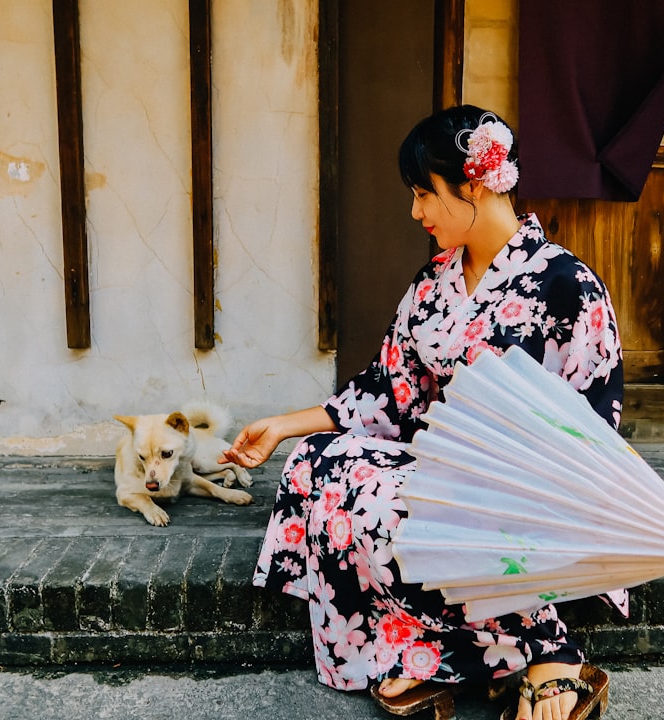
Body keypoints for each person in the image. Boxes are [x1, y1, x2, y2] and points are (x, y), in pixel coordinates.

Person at [221, 105, 624, 720]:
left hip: (529, 499)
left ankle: (549, 651)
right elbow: (386, 390)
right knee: (320, 466)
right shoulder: (434, 281)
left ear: (472, 184)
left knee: (427, 501)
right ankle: (433, 650)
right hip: (442, 479)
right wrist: (283, 425)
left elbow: (592, 430)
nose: (416, 213)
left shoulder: (567, 285)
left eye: (423, 193)